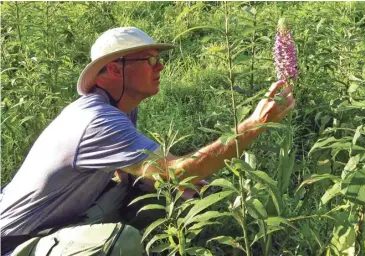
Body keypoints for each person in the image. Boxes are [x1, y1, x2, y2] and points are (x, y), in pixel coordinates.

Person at [0, 27, 295, 255]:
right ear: (115, 69)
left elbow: (132, 171)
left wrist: (180, 184)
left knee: (173, 191)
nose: (161, 67)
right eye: (151, 59)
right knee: (121, 241)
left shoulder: (119, 106)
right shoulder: (96, 121)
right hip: (19, 241)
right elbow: (175, 171)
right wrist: (255, 124)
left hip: (72, 215)